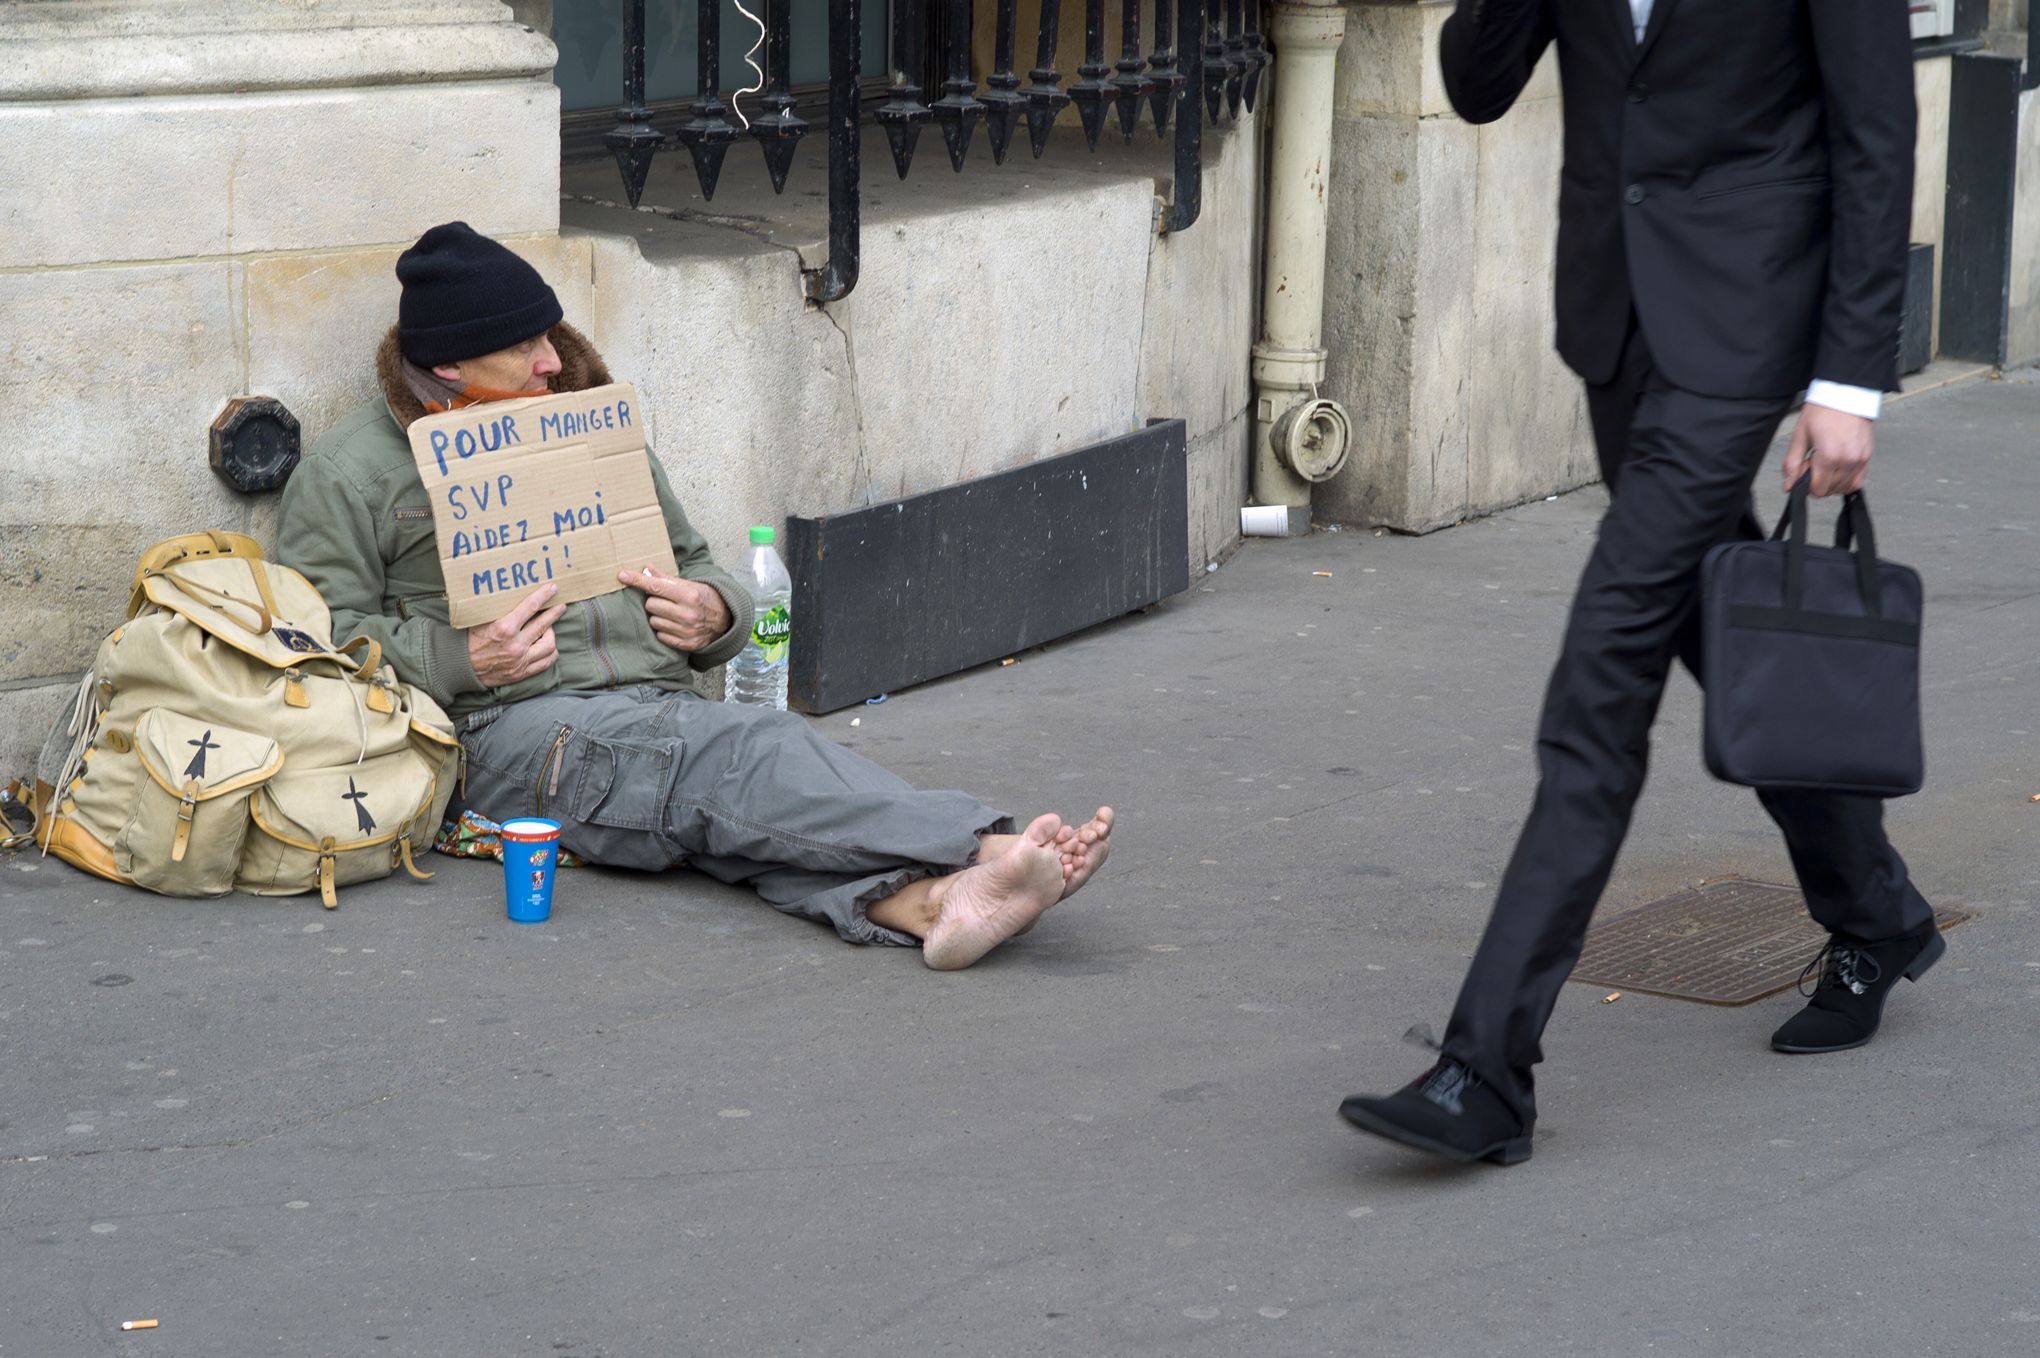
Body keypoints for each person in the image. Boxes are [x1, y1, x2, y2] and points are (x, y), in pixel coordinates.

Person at [1338, 0, 1939, 1165]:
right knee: (1724, 628)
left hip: (1749, 316)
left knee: (1601, 673)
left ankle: (1487, 1068)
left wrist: (1849, 383)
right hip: (1619, 318)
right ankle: (1877, 908)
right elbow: (1475, 80)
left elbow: (1878, 133)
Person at [276, 222, 1112, 968]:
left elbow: (694, 561)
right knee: (742, 760)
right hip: (506, 733)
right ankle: (984, 847)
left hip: (655, 701)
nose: (551, 361)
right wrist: (464, 657)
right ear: (449, 363)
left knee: (724, 803)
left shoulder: (580, 421)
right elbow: (314, 648)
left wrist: (715, 613)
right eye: (524, 345)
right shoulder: (352, 474)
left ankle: (931, 906)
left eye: (550, 338)